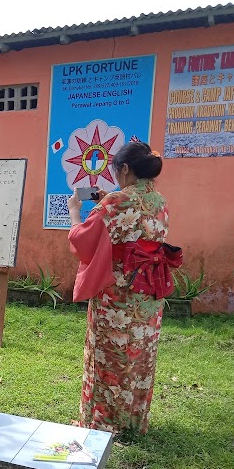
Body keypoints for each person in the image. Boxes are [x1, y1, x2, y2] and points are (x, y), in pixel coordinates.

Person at [67, 141, 181, 436]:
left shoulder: (117, 201)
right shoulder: (161, 201)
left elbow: (83, 240)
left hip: (118, 291)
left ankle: (103, 423)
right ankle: (133, 421)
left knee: (109, 352)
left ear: (126, 169)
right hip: (149, 290)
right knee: (139, 353)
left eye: (117, 171)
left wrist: (75, 212)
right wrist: (108, 201)